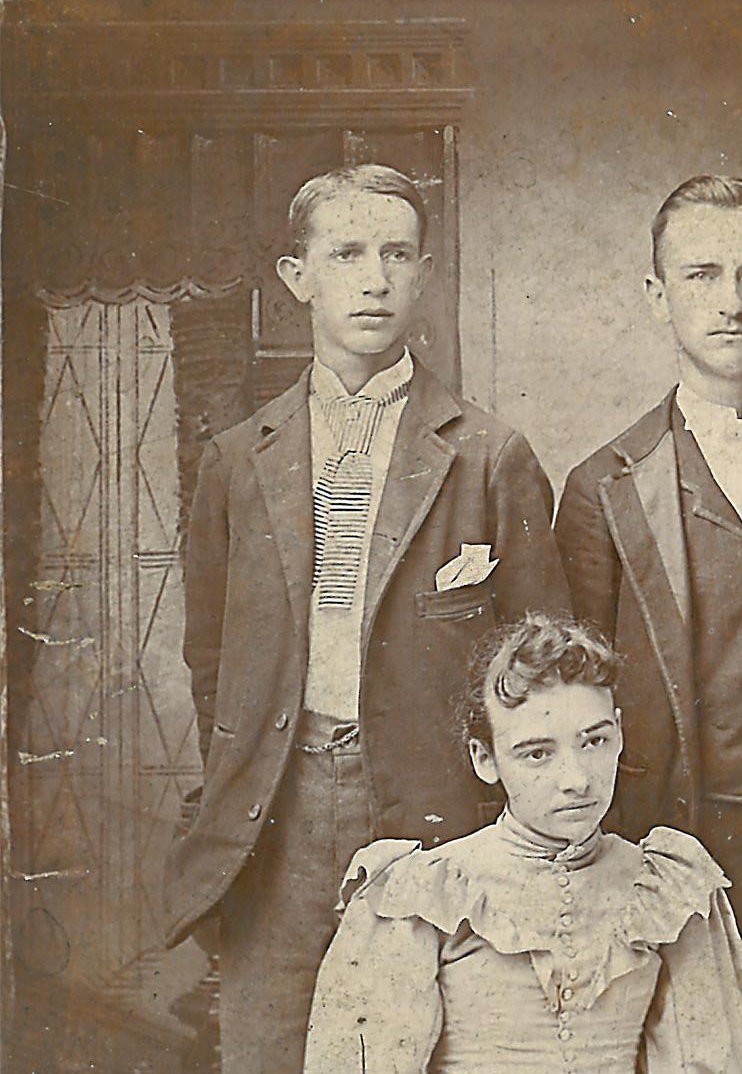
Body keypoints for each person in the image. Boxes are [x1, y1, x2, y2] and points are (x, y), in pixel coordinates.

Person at [161, 164, 570, 1073]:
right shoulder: (237, 460)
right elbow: (210, 662)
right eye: (346, 253)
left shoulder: (490, 455)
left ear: (424, 274)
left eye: (396, 254)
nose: (374, 280)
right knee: (269, 1048)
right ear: (296, 275)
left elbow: (545, 673)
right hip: (276, 812)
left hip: (434, 809)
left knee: (438, 1047)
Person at [554, 174, 742, 1068]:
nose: (730, 301)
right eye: (701, 275)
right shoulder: (601, 487)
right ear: (657, 294)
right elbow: (574, 707)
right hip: (673, 850)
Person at [304, 612, 742, 1073]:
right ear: (485, 759)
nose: (576, 780)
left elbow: (711, 1059)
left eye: (594, 742)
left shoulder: (669, 889)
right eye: (537, 754)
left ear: (619, 733)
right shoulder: (423, 893)